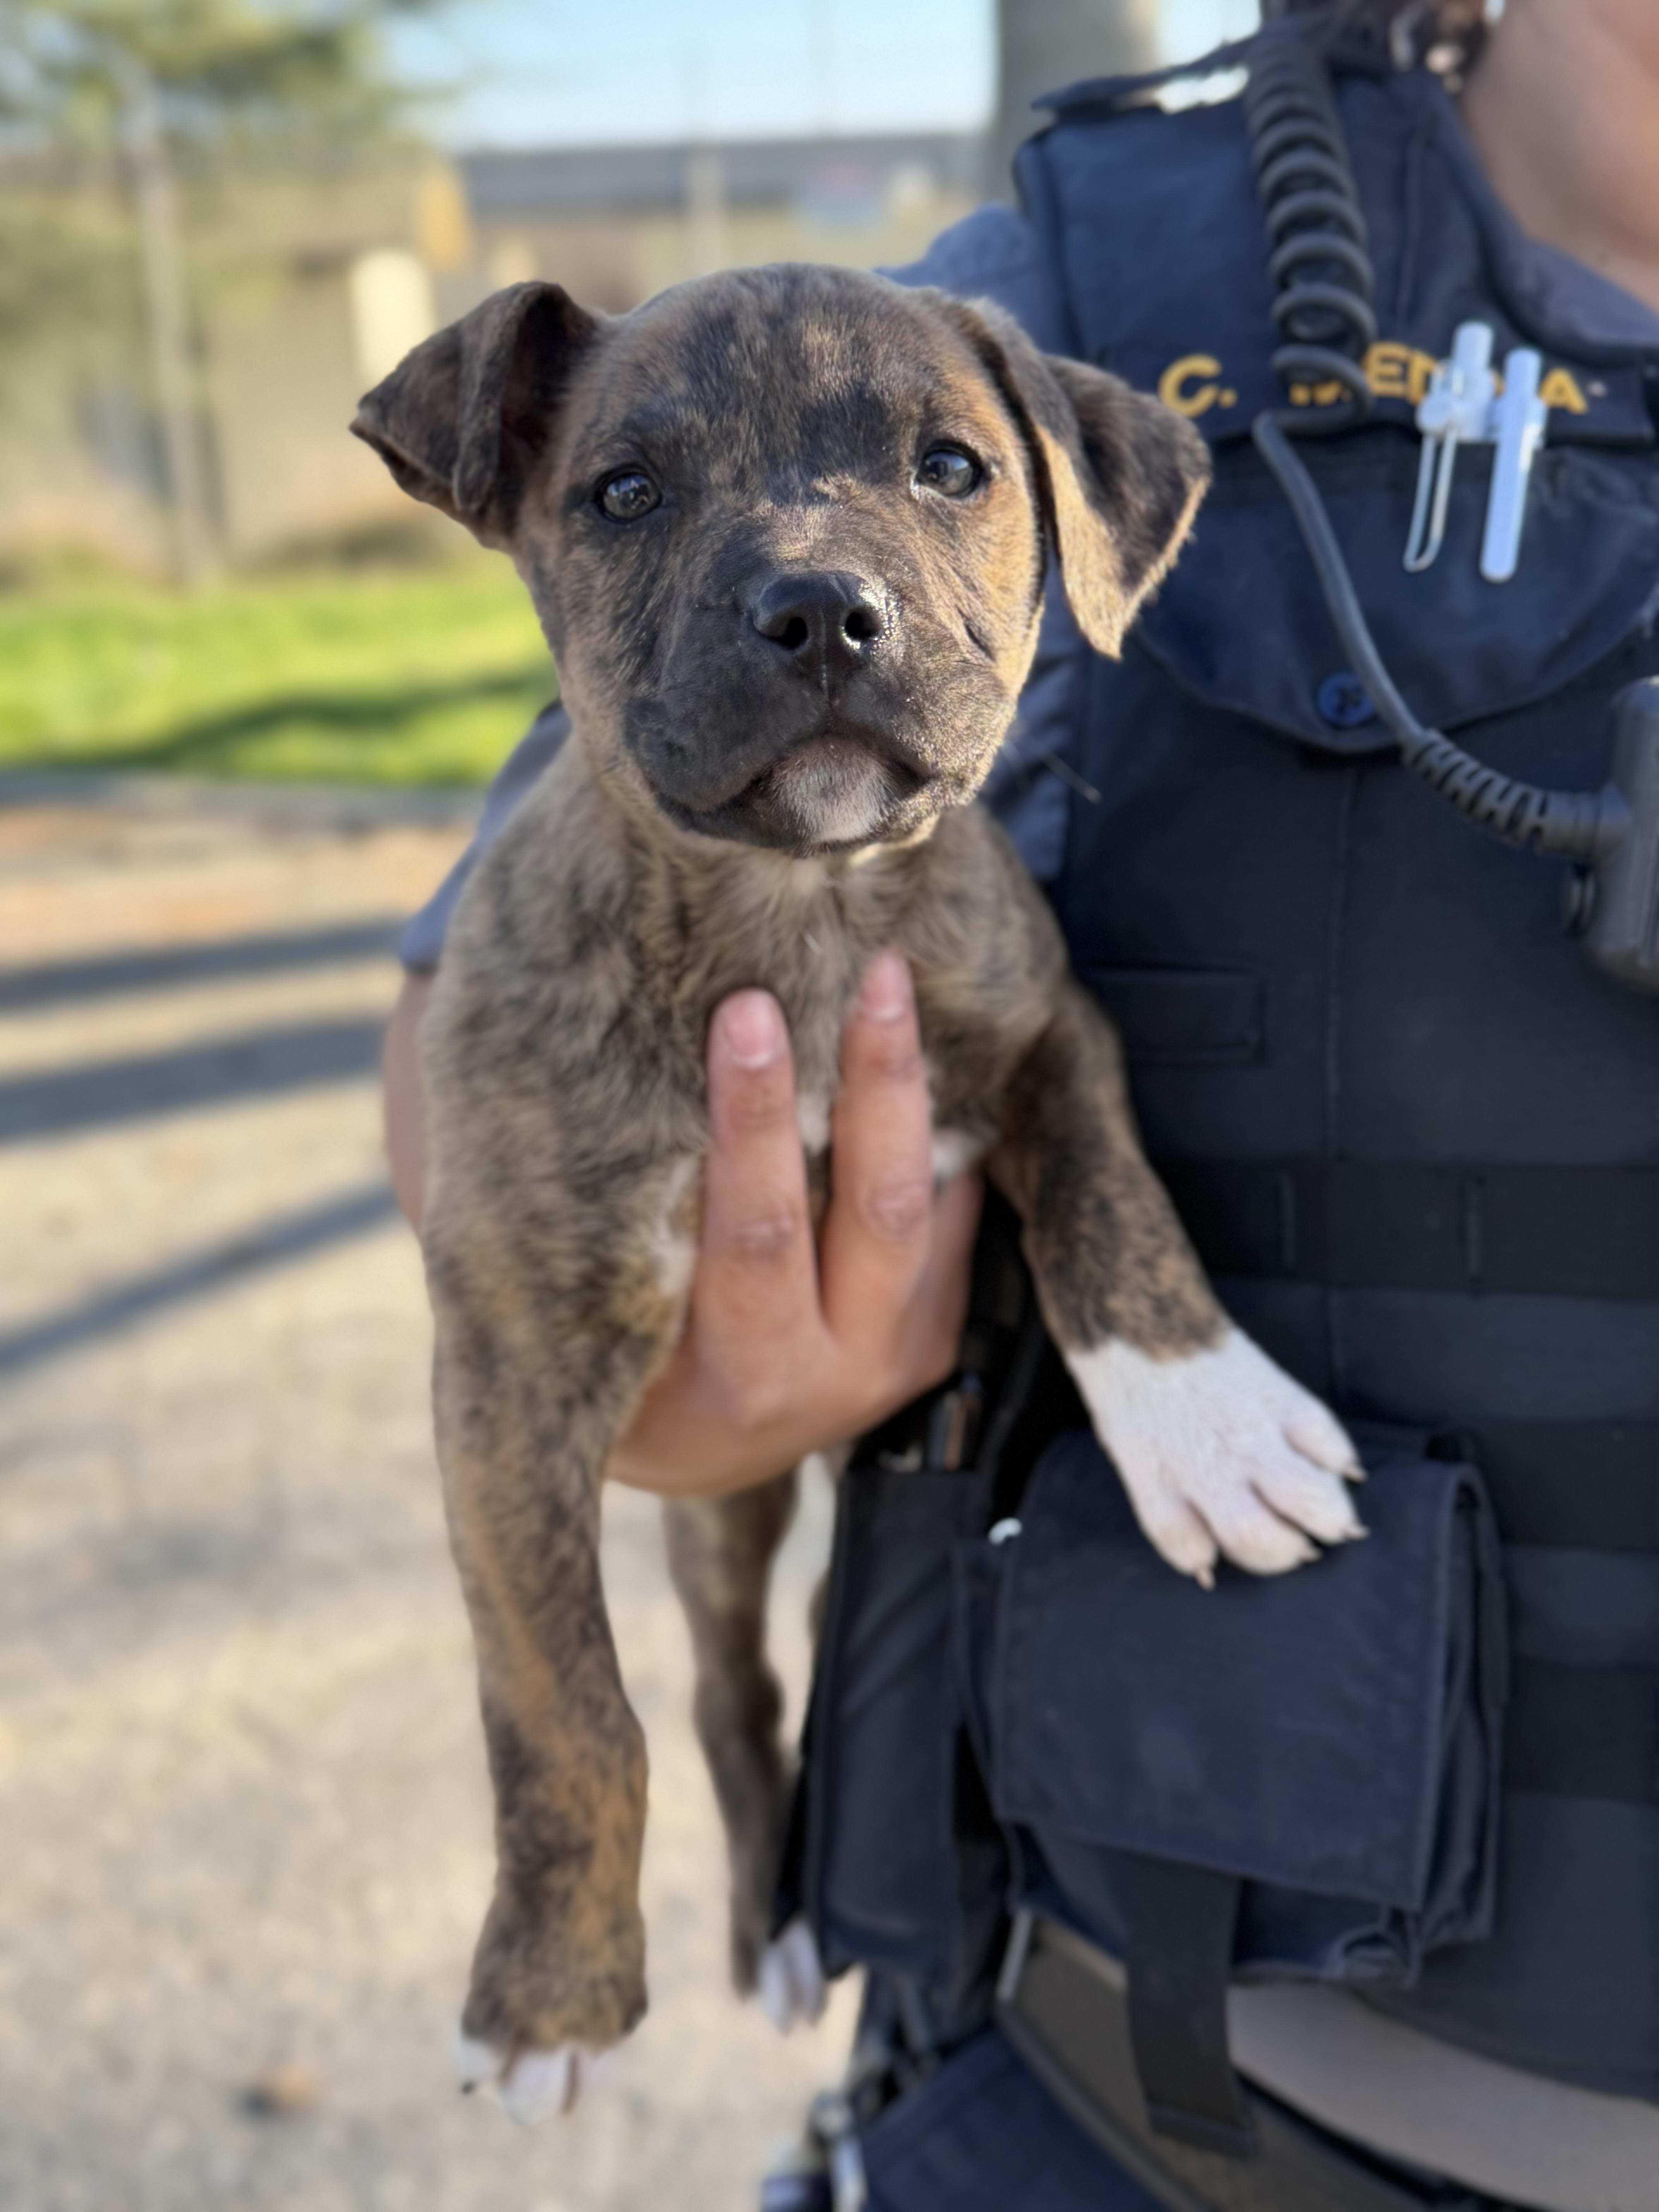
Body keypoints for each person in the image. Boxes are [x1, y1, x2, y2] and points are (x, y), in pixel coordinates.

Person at [383, 2, 1659, 2205]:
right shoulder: (1094, 285)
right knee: (714, 1582)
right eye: (634, 493)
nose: (821, 580)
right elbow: (475, 1148)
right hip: (1155, 2084)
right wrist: (719, 1383)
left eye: (939, 481)